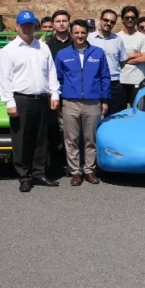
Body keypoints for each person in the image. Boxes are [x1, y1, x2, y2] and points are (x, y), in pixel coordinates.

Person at [0, 10, 60, 193]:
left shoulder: (43, 47)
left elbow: (51, 72)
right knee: (22, 140)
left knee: (41, 139)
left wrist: (54, 94)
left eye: (30, 25)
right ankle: (24, 176)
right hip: (21, 100)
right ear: (17, 26)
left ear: (35, 26)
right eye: (23, 25)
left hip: (41, 99)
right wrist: (9, 103)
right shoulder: (9, 50)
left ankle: (39, 172)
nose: (27, 28)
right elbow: (4, 79)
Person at [56, 19, 111, 185]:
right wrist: (58, 100)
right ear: (71, 34)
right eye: (76, 33)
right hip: (70, 102)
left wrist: (105, 100)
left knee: (90, 138)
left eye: (83, 32)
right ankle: (75, 172)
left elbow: (105, 77)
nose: (79, 36)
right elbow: (57, 79)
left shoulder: (98, 53)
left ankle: (89, 170)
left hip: (92, 102)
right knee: (71, 139)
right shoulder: (62, 55)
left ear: (88, 33)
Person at [88, 9, 129, 114]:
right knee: (92, 116)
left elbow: (122, 61)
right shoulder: (89, 38)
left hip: (113, 84)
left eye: (112, 22)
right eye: (106, 20)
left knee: (112, 116)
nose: (108, 23)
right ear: (100, 20)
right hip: (94, 82)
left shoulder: (118, 40)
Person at [118, 5, 145, 106]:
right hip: (121, 80)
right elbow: (115, 59)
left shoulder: (143, 38)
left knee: (138, 111)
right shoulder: (117, 37)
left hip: (137, 80)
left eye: (132, 18)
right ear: (122, 19)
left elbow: (144, 58)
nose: (130, 20)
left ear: (136, 19)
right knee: (120, 113)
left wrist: (123, 59)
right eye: (127, 18)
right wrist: (135, 55)